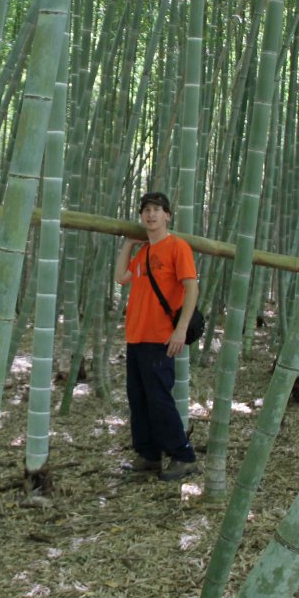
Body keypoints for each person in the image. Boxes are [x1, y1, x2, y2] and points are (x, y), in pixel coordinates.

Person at [114, 191, 199, 481]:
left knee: (159, 399)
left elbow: (191, 288)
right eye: (146, 210)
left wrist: (180, 329)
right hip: (136, 336)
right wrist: (128, 242)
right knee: (138, 398)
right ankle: (148, 454)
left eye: (157, 209)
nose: (151, 215)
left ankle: (183, 456)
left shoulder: (177, 247)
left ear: (167, 215)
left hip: (160, 337)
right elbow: (120, 277)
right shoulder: (144, 253)